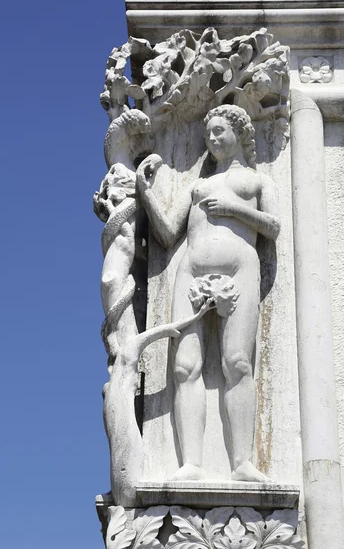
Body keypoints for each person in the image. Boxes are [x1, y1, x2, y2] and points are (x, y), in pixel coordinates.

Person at [136, 105, 280, 482]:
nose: (213, 139)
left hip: (239, 268)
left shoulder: (255, 181)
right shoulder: (197, 186)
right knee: (185, 367)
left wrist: (234, 208)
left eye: (219, 132)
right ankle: (191, 464)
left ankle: (243, 464)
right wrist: (145, 191)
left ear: (237, 132)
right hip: (192, 271)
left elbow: (273, 227)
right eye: (208, 135)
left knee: (237, 363)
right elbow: (168, 233)